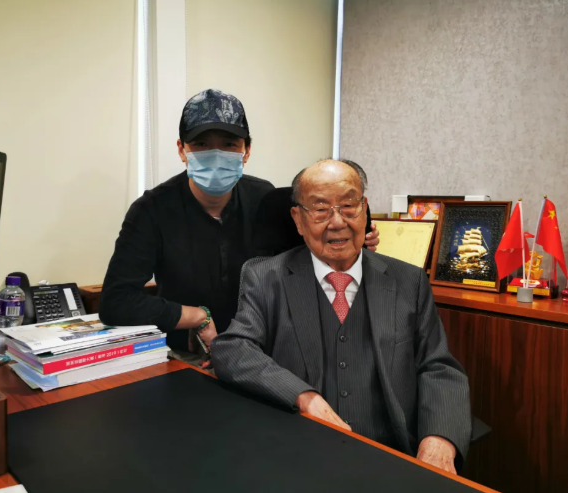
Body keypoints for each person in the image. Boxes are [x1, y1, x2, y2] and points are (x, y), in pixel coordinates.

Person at [211, 159, 471, 474]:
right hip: (298, 456)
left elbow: (438, 366)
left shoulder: (408, 280)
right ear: (298, 219)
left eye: (349, 206)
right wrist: (302, 396)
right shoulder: (266, 277)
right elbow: (233, 348)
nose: (337, 222)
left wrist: (439, 439)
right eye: (320, 209)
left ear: (364, 209)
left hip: (392, 458)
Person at [99, 89, 379, 364]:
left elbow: (304, 263)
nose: (216, 154)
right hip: (190, 354)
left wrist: (350, 243)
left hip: (264, 349)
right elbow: (116, 301)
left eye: (229, 144)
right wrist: (197, 316)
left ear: (247, 151)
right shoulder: (152, 210)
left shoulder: (265, 198)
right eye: (201, 144)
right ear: (182, 150)